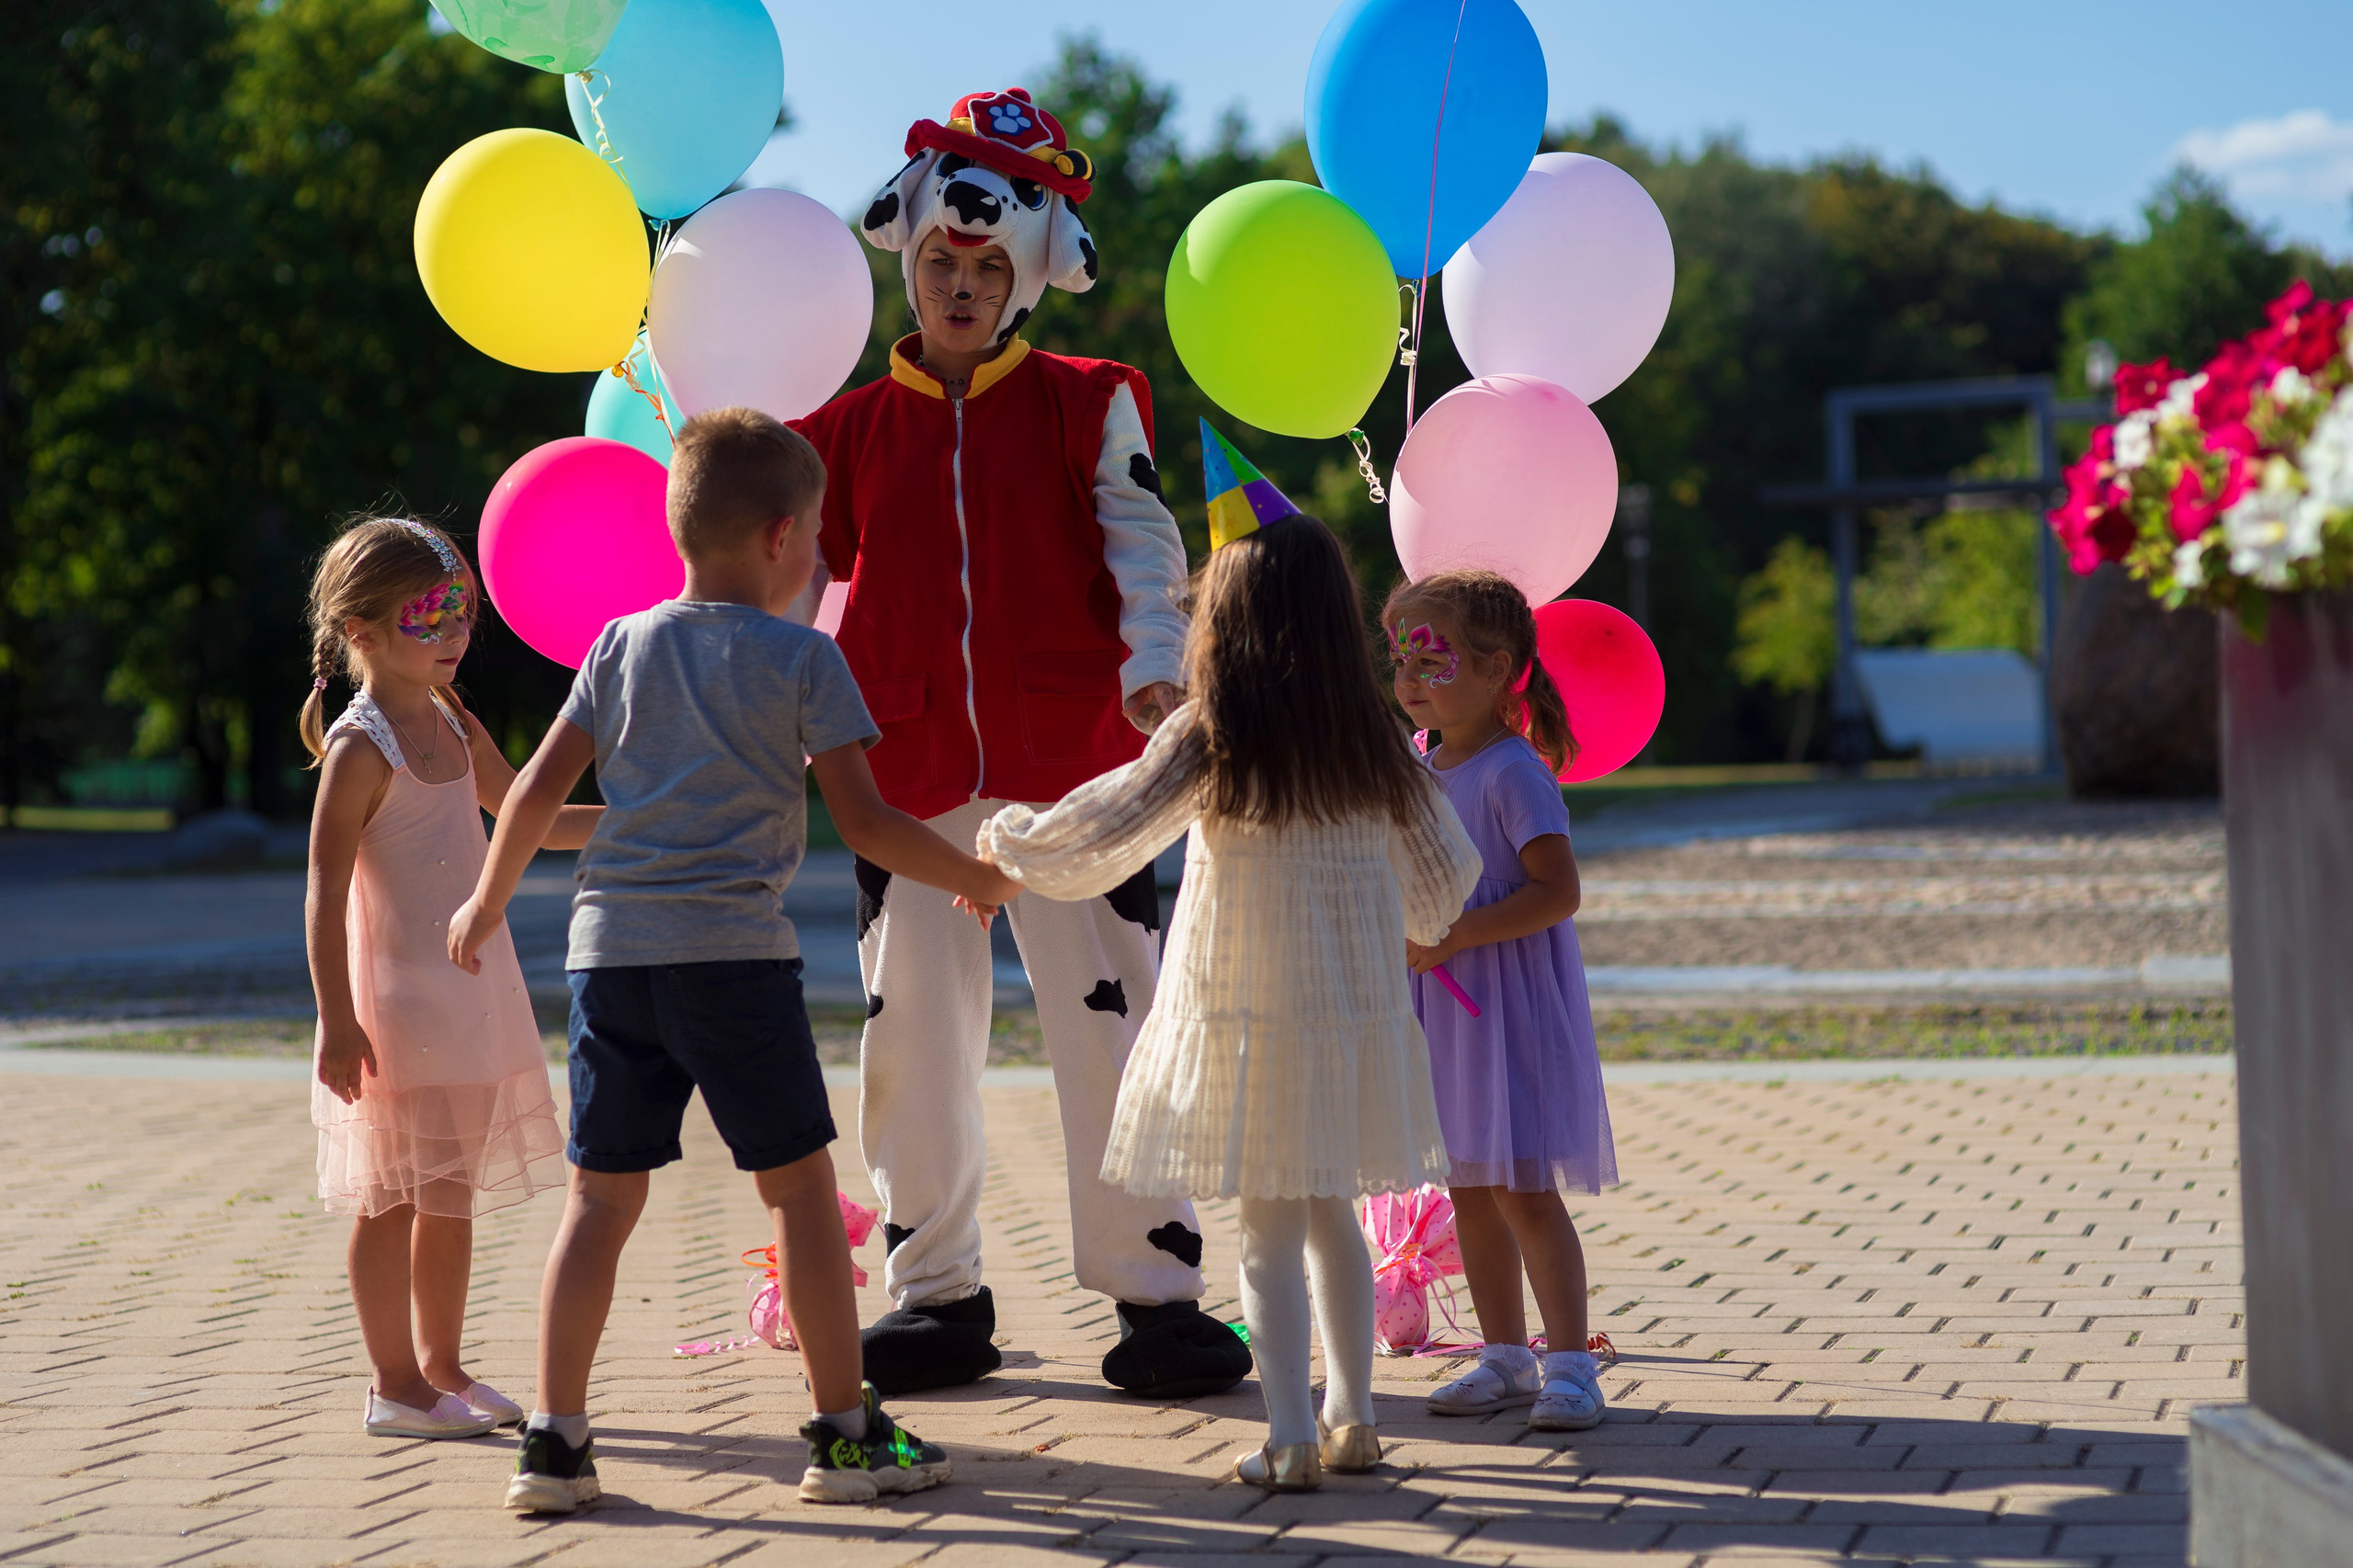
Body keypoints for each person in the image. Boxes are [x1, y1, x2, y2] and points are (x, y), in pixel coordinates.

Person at [448, 409, 1017, 1511]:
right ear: (779, 533)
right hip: (733, 964)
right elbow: (865, 820)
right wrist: (976, 873)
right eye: (812, 542)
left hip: (609, 959)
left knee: (596, 1204)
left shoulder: (617, 644)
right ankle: (843, 1432)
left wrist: (484, 901)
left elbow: (530, 792)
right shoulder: (805, 657)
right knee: (799, 1195)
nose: (814, 560)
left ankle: (555, 1444)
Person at [790, 85, 1250, 1399]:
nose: (960, 280)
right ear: (907, 252)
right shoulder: (841, 431)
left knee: (1115, 1030)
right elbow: (784, 582)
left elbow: (1142, 541)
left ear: (1030, 274)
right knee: (913, 1039)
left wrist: (1160, 673)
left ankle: (1157, 1296)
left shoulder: (1090, 398)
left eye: (988, 262)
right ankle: (936, 1294)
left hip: (1083, 774)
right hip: (905, 783)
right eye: (942, 256)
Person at [971, 517, 1483, 1491]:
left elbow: (1110, 822)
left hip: (1243, 1015)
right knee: (1331, 1213)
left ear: (1226, 622)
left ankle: (1287, 1432)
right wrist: (1406, 911)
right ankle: (1354, 1418)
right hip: (1347, 1017)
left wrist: (1010, 846)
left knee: (1266, 1231)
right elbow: (1445, 875)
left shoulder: (1215, 730)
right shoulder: (1369, 736)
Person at [301, 517, 583, 1442]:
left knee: (450, 1190)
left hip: (468, 995)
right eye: (428, 613)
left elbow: (519, 810)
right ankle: (392, 1384)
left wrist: (643, 819)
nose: (453, 629)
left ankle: (442, 1363)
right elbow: (323, 891)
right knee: (389, 1197)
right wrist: (336, 1022)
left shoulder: (457, 720)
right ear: (362, 634)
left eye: (460, 607)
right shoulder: (359, 748)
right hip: (393, 1009)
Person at [1383, 569, 1618, 1432]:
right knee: (1468, 1188)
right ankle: (1504, 1357)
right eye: (1401, 657)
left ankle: (1570, 1367)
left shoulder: (1512, 772)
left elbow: (1558, 892)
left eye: (1432, 660)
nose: (1410, 679)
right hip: (1439, 1010)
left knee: (1521, 1187)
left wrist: (1456, 936)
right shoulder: (1415, 761)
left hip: (1504, 1006)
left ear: (1497, 669)